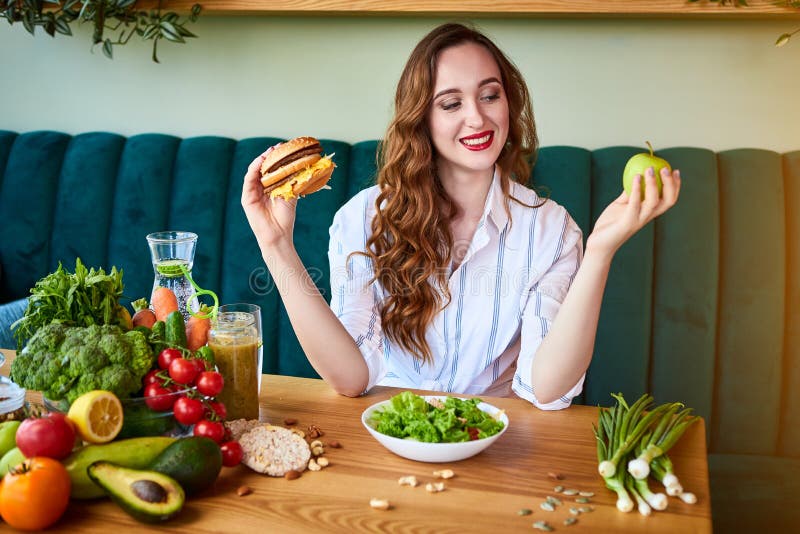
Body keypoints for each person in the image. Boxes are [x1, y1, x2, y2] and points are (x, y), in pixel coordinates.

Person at [241, 22, 680, 409]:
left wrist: (600, 251)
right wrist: (277, 247)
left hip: (494, 447)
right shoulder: (362, 217)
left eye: (490, 95)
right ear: (422, 119)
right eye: (451, 104)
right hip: (388, 438)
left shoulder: (551, 229)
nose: (478, 117)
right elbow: (350, 379)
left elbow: (547, 389)